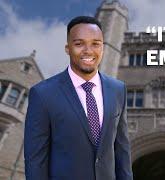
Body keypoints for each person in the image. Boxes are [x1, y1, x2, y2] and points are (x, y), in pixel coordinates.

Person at [24, 16, 133, 180]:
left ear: (103, 47)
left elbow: (122, 152)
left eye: (95, 43)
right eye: (79, 43)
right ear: (68, 48)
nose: (88, 51)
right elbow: (35, 160)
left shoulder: (118, 89)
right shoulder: (43, 93)